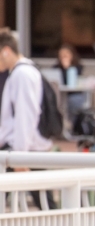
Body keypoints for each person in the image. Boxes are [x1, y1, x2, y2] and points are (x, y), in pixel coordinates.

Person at [0, 28, 56, 210]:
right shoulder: (22, 72)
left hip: (24, 150)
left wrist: (19, 155)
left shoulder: (21, 74)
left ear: (6, 51)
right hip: (25, 149)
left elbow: (26, 116)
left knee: (45, 203)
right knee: (45, 202)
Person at [56, 43, 88, 121]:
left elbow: (72, 81)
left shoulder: (78, 67)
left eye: (66, 55)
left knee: (74, 101)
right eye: (62, 55)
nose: (64, 57)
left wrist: (67, 68)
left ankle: (74, 125)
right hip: (59, 94)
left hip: (73, 94)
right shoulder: (56, 68)